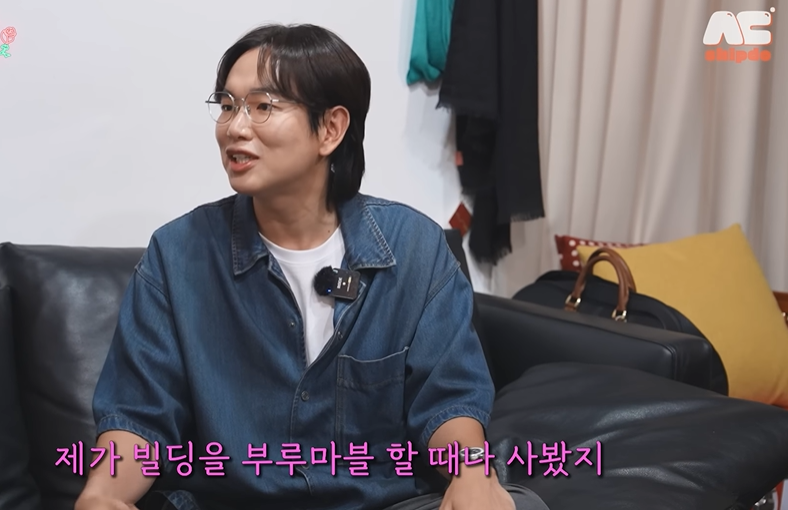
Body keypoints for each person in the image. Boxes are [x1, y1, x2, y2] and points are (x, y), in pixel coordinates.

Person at [74, 23, 548, 510]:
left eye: (262, 106)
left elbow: (448, 397)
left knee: (519, 504)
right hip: (234, 503)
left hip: (379, 503)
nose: (235, 127)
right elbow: (140, 416)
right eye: (227, 105)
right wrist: (102, 495)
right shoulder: (177, 255)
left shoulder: (413, 248)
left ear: (330, 129)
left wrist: (470, 475)